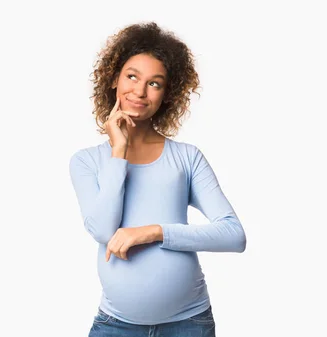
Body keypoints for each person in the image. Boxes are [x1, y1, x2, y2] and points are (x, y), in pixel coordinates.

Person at [68, 22, 247, 337]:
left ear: (167, 95)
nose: (139, 91)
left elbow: (234, 235)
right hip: (116, 326)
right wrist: (119, 150)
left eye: (155, 83)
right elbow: (103, 230)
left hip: (189, 323)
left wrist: (154, 232)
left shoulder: (187, 157)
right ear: (114, 79)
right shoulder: (87, 161)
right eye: (132, 76)